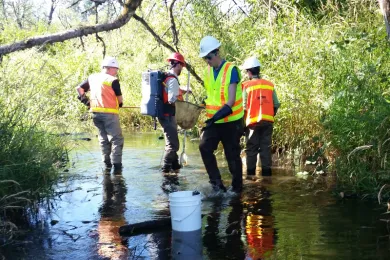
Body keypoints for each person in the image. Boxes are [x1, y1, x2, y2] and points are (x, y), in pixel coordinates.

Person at [198, 36, 244, 193]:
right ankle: (217, 185)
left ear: (216, 53)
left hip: (231, 121)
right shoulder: (208, 72)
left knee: (232, 155)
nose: (207, 61)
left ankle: (237, 188)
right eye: (205, 59)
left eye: (209, 58)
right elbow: (212, 95)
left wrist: (214, 118)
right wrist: (201, 106)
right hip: (215, 121)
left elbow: (230, 101)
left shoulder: (231, 70)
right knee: (204, 147)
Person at [76, 56, 124, 173]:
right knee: (117, 139)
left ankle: (107, 165)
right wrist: (120, 104)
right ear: (110, 68)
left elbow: (79, 89)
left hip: (95, 114)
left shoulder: (92, 78)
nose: (116, 71)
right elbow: (120, 101)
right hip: (110, 114)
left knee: (103, 138)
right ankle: (117, 167)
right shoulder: (113, 80)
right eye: (115, 69)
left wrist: (86, 101)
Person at [241, 57, 281, 177]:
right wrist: (271, 115)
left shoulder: (246, 86)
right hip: (268, 122)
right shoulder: (269, 85)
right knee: (265, 149)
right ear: (258, 70)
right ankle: (267, 177)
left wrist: (242, 125)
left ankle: (250, 177)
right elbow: (276, 104)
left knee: (251, 150)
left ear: (249, 72)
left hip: (252, 123)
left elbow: (243, 107)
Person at [159, 52, 187, 174]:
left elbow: (169, 92)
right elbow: (171, 99)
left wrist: (182, 92)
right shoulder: (173, 79)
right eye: (182, 66)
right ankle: (165, 170)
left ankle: (175, 167)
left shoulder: (166, 77)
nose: (182, 69)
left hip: (164, 114)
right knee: (173, 145)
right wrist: (182, 104)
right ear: (178, 65)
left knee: (172, 141)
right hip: (168, 115)